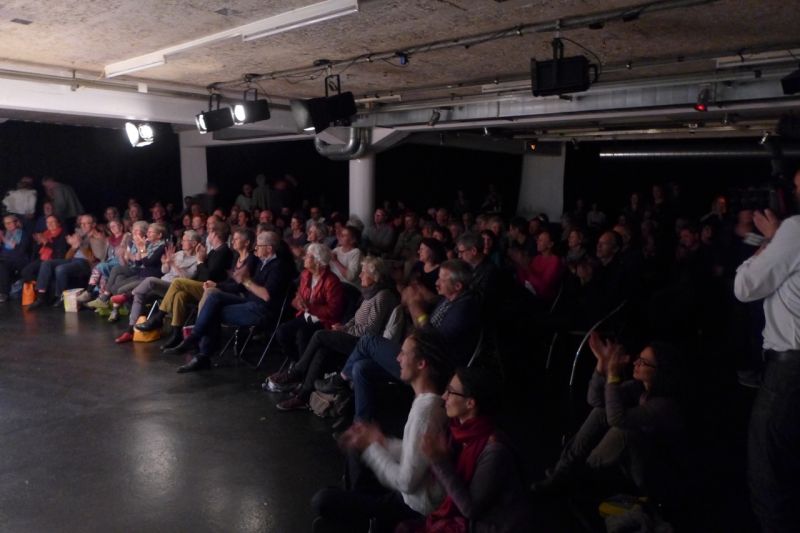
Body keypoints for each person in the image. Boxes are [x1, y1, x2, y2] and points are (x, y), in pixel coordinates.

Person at [311, 328, 451, 533]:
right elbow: (416, 453)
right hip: (412, 495)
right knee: (355, 452)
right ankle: (361, 519)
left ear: (421, 364)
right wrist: (380, 442)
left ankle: (363, 520)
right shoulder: (426, 403)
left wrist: (373, 448)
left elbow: (406, 483)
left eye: (404, 353)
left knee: (323, 500)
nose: (398, 358)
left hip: (413, 506)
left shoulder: (424, 412)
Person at [733, 168, 800, 533]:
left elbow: (745, 287)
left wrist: (772, 241)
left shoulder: (794, 230)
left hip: (789, 372)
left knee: (769, 472)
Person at [533, 332, 683, 494]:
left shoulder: (664, 405)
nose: (635, 363)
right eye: (638, 358)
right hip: (633, 463)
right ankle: (562, 472)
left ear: (659, 372)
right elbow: (596, 400)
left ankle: (578, 476)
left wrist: (612, 375)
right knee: (600, 413)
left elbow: (617, 418)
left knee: (625, 432)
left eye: (643, 362)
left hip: (658, 474)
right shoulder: (638, 388)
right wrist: (602, 364)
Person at [397, 367, 532, 532]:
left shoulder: (494, 451)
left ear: (470, 403)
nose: (443, 397)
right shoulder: (457, 432)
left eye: (450, 392)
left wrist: (439, 461)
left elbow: (470, 509)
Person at [270, 257, 398, 410]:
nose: (360, 275)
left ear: (375, 276)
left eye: (364, 272)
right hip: (353, 336)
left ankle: (297, 371)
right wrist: (344, 327)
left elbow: (370, 331)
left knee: (319, 335)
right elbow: (356, 319)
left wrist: (345, 330)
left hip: (363, 344)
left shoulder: (382, 296)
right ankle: (304, 396)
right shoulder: (370, 293)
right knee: (322, 350)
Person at [167, 231, 294, 372]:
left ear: (269, 248)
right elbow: (244, 286)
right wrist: (237, 281)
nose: (255, 248)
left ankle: (201, 352)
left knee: (212, 312)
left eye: (259, 245)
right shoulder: (261, 263)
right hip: (248, 301)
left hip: (262, 310)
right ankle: (195, 340)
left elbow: (266, 296)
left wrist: (245, 281)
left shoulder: (278, 267)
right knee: (213, 297)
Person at [134, 221, 233, 349]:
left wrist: (200, 261)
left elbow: (207, 277)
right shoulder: (213, 252)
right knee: (179, 295)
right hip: (198, 285)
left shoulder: (223, 251)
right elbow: (168, 271)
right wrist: (167, 263)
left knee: (175, 282)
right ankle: (176, 335)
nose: (208, 235)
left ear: (214, 235)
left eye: (210, 232)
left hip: (212, 289)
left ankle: (159, 317)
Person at [114, 230, 202, 344]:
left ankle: (127, 295)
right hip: (163, 282)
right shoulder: (179, 253)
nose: (182, 242)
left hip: (174, 287)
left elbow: (187, 278)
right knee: (139, 295)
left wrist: (173, 264)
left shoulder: (197, 259)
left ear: (194, 243)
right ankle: (130, 331)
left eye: (185, 240)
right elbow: (164, 271)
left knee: (149, 280)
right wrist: (166, 263)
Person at [275, 243, 345, 363]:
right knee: (282, 331)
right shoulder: (305, 274)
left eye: (308, 256)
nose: (304, 258)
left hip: (323, 321)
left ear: (318, 261)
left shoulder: (332, 281)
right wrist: (297, 302)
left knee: (302, 334)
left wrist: (309, 307)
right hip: (306, 316)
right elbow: (300, 296)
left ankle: (303, 369)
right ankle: (299, 364)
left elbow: (333, 311)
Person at [28, 214, 106, 309]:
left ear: (93, 224)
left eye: (86, 223)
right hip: (73, 260)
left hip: (86, 263)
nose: (83, 226)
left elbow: (94, 258)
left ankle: (60, 297)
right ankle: (41, 297)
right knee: (46, 263)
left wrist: (80, 244)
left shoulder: (96, 236)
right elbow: (67, 257)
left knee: (60, 269)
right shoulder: (80, 235)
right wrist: (73, 247)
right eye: (82, 224)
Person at [0, 214, 32, 302]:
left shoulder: (21, 233)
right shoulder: (6, 233)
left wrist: (2, 238)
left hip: (18, 259)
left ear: (16, 222)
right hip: (5, 258)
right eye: (6, 223)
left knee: (2, 266)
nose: (7, 225)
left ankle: (4, 293)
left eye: (10, 223)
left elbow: (15, 247)